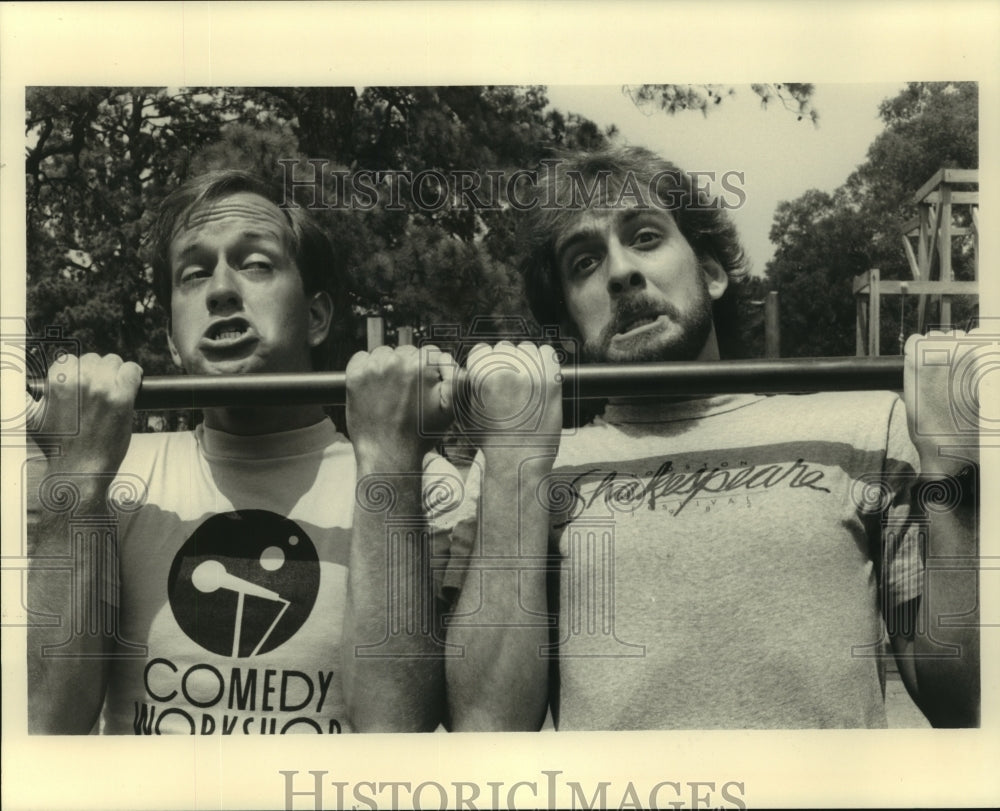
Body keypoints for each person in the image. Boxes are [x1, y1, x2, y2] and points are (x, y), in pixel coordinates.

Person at [446, 145, 979, 730]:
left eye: (645, 237)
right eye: (584, 263)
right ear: (568, 318)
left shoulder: (865, 431)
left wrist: (951, 461)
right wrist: (515, 465)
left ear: (713, 273)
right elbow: (485, 726)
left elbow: (963, 700)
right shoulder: (527, 469)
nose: (620, 272)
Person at [26, 169, 459, 734]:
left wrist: (388, 465)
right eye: (194, 272)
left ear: (318, 317)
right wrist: (78, 475)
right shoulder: (115, 478)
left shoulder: (419, 484)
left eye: (256, 264)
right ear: (170, 339)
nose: (222, 289)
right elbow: (43, 723)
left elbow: (393, 733)